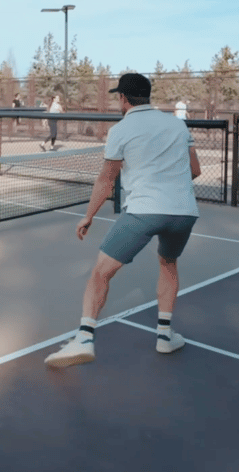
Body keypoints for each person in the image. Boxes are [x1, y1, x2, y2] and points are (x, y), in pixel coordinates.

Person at [45, 73, 201, 368]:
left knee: (100, 274)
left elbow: (106, 181)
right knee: (168, 264)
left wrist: (88, 216)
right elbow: (195, 169)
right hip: (184, 212)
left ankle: (84, 338)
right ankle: (165, 336)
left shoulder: (121, 130)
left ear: (123, 98)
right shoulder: (178, 124)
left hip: (143, 211)